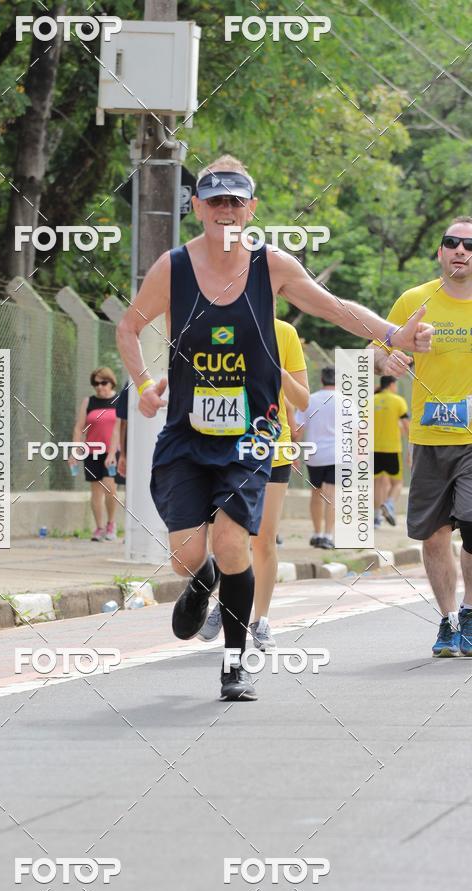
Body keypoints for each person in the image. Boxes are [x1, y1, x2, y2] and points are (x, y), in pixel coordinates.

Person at [117, 154, 432, 702]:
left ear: (252, 208)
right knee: (186, 555)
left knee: (232, 540)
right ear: (196, 207)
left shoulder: (272, 265)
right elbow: (129, 326)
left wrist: (391, 335)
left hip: (251, 435)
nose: (226, 211)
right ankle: (200, 580)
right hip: (186, 434)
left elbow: (333, 307)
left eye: (236, 201)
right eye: (215, 201)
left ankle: (234, 664)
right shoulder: (172, 268)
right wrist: (144, 384)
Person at [373, 216, 472, 658]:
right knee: (433, 536)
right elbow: (379, 348)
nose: (460, 251)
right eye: (451, 242)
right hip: (429, 437)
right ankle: (449, 619)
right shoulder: (416, 300)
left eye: (469, 245)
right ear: (439, 251)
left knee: (471, 526)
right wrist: (390, 361)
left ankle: (470, 615)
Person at [198, 318, 309, 650]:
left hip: (272, 449)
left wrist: (280, 369)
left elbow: (302, 400)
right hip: (227, 449)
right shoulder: (219, 326)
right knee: (229, 539)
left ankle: (259, 620)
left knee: (263, 540)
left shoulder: (284, 332)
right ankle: (228, 603)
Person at [72, 366, 119, 542]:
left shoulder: (118, 400)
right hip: (92, 451)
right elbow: (79, 428)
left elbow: (121, 428)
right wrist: (75, 451)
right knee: (95, 491)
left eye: (103, 383)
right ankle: (99, 528)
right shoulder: (88, 402)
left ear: (111, 382)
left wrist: (114, 453)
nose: (100, 387)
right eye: (96, 384)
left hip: (112, 452)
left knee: (110, 487)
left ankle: (111, 524)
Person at [295, 367, 336, 550]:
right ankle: (328, 535)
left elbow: (297, 429)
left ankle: (317, 533)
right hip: (337, 454)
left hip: (314, 455)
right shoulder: (347, 401)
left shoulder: (310, 400)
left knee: (316, 493)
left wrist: (293, 451)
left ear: (321, 379)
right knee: (332, 495)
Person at [373, 375, 409, 527]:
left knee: (378, 483)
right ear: (392, 385)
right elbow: (407, 426)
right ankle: (389, 503)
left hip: (373, 448)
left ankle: (376, 518)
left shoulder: (370, 401)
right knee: (397, 483)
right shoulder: (398, 401)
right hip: (392, 448)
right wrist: (412, 449)